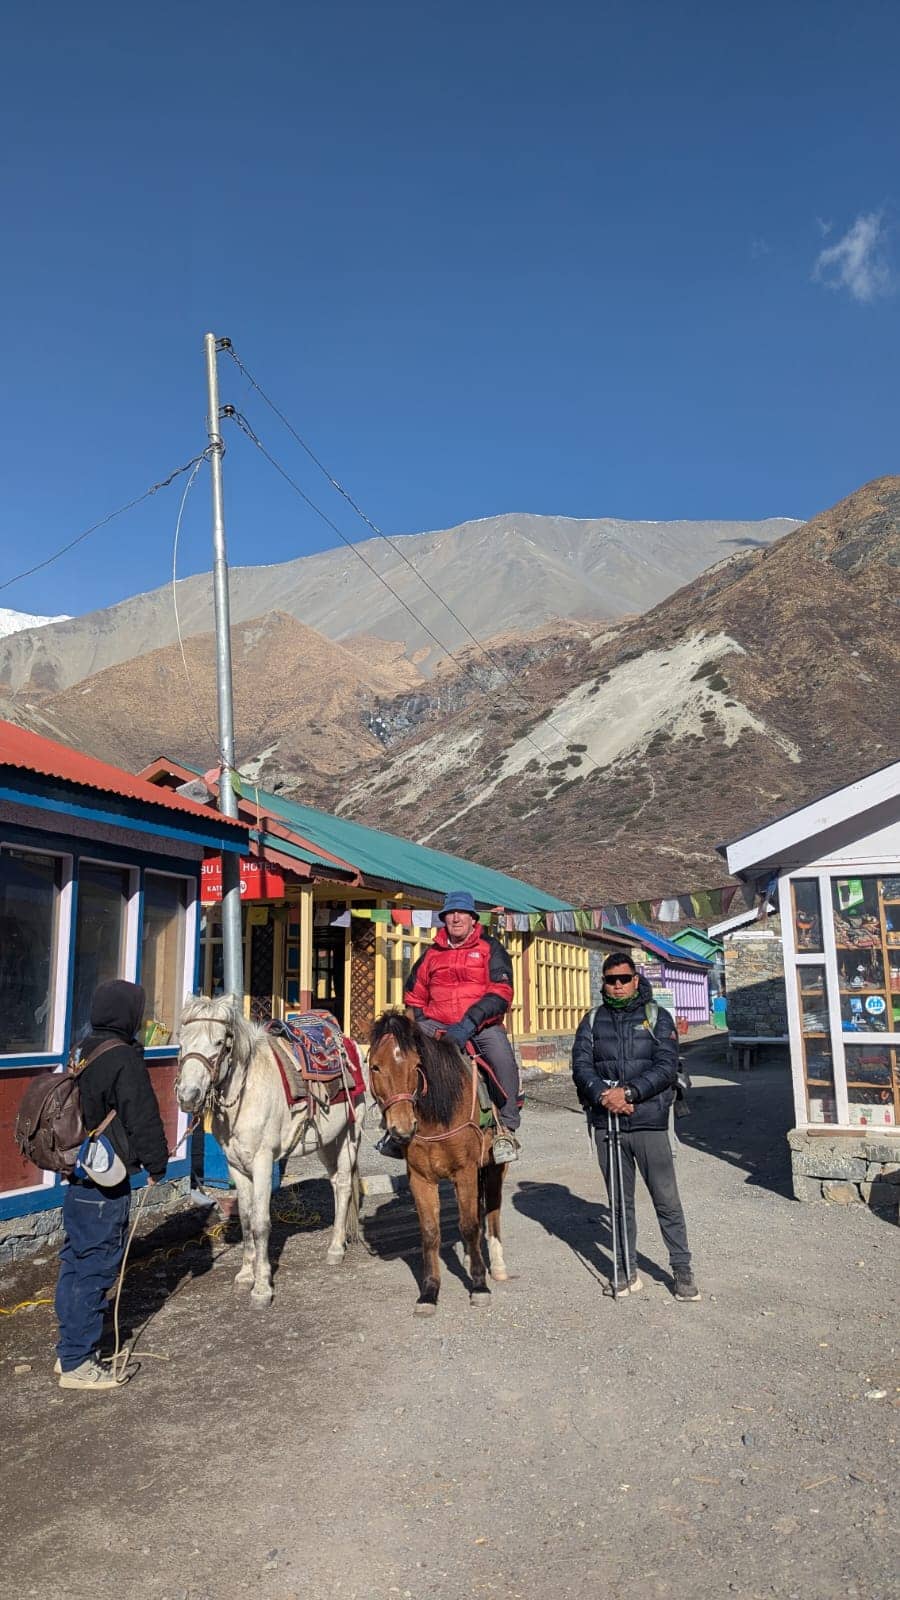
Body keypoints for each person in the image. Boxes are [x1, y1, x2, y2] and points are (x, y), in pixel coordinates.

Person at [54, 979, 169, 1390]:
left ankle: (69, 1348)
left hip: (78, 1172)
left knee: (75, 1261)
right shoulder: (122, 1057)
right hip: (107, 1178)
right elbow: (143, 1117)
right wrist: (157, 1164)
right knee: (97, 1264)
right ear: (129, 1015)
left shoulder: (81, 1050)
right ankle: (77, 1363)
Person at [571, 952, 700, 1301]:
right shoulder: (592, 1020)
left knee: (666, 1199)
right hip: (606, 1122)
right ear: (603, 983)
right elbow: (581, 1067)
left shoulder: (658, 1018)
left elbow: (665, 1067)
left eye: (623, 978)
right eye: (610, 980)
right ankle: (627, 1270)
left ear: (636, 979)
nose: (617, 985)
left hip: (650, 1122)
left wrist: (627, 1092)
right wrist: (604, 1096)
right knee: (619, 1203)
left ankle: (682, 1270)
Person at [376, 891, 521, 1162]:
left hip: (480, 1025)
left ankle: (506, 1128)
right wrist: (418, 1024)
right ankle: (396, 1129)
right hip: (435, 1024)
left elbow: (501, 992)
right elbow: (414, 997)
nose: (455, 918)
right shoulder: (431, 953)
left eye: (461, 913)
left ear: (472, 918)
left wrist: (468, 1023)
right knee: (399, 1060)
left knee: (502, 1060)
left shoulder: (491, 948)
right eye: (449, 914)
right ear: (444, 919)